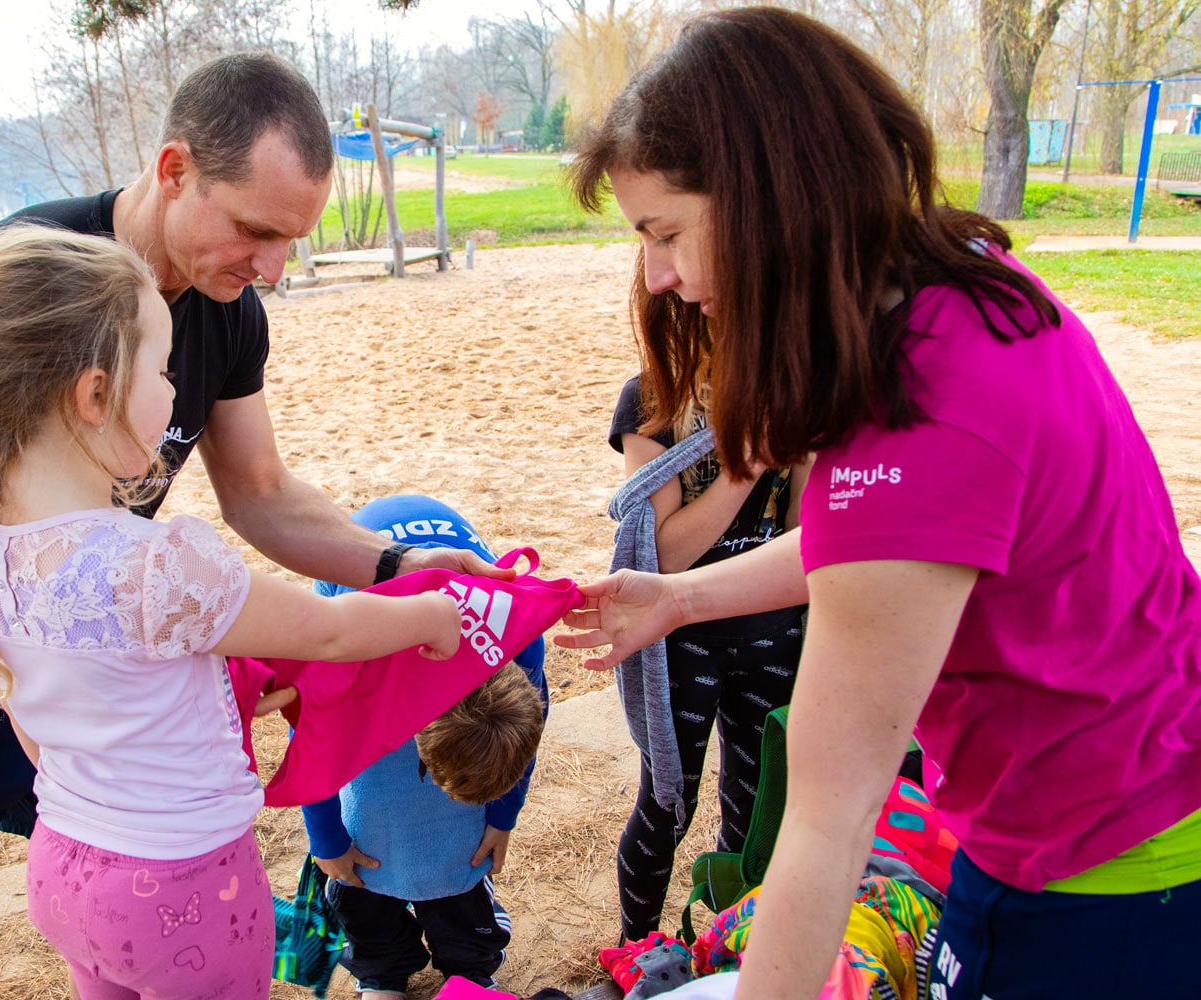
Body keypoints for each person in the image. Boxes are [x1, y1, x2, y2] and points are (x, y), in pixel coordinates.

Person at [0, 52, 504, 1000]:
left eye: (291, 240)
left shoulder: (226, 308)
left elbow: (260, 492)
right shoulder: (14, 278)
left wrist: (397, 562)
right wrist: (44, 673)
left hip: (91, 674)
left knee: (119, 920)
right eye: (254, 230)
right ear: (174, 171)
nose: (273, 270)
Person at [559, 7, 1201, 999]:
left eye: (667, 233)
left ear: (771, 197)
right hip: (1113, 793)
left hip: (1098, 863)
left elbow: (829, 813)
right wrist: (682, 599)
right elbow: (883, 541)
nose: (661, 276)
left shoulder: (931, 409)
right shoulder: (953, 295)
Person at [0, 224, 465, 1000]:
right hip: (181, 888)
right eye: (164, 367)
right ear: (96, 394)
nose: (179, 390)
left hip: (62, 866)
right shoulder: (158, 565)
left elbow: (44, 728)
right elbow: (331, 630)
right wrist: (431, 615)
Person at [304, 495, 548, 999]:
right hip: (359, 566)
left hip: (459, 592)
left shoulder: (522, 631)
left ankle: (470, 966)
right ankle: (380, 972)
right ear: (418, 726)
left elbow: (524, 734)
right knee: (368, 826)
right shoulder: (354, 642)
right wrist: (327, 840)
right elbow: (309, 738)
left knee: (454, 844)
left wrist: (504, 816)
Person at [605, 374, 808, 942]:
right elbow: (666, 555)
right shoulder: (652, 397)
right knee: (668, 805)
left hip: (775, 629)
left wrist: (810, 450)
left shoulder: (795, 387)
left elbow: (801, 534)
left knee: (758, 802)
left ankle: (727, 940)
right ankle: (635, 949)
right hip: (679, 637)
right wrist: (746, 465)